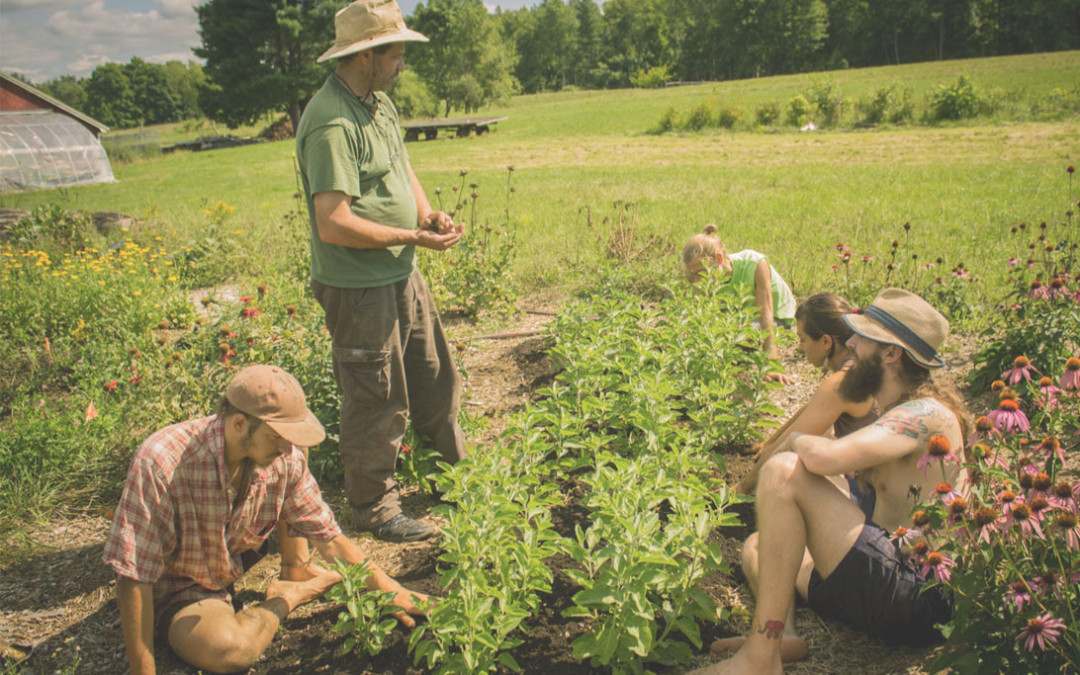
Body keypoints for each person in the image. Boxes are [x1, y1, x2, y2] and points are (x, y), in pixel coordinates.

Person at [693, 289, 971, 674]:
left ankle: (759, 658)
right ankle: (784, 635)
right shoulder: (900, 409)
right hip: (884, 585)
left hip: (916, 595)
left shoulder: (927, 413)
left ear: (891, 354)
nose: (851, 343)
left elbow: (821, 458)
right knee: (763, 545)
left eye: (862, 336)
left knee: (782, 470)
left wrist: (793, 443)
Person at [103, 365, 426, 675]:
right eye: (277, 437)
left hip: (224, 562)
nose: (287, 448)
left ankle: (294, 573)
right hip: (179, 587)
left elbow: (328, 536)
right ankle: (288, 597)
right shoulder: (161, 462)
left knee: (293, 464)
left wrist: (391, 590)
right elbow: (135, 576)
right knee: (231, 651)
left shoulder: (283, 457)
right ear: (239, 424)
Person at [296, 0, 467, 543]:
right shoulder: (330, 121)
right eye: (396, 54)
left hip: (401, 272)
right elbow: (334, 222)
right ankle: (374, 506)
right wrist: (414, 237)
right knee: (377, 395)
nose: (402, 65)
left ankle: (454, 477)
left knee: (435, 377)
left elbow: (402, 166)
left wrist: (428, 214)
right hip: (358, 286)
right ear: (367, 55)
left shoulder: (378, 105)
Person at [736, 293, 877, 494]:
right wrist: (769, 443)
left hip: (872, 496)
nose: (800, 348)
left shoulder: (842, 382)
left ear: (826, 342)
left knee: (790, 466)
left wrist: (740, 487)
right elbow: (811, 410)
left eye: (803, 339)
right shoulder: (861, 360)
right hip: (881, 484)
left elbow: (789, 444)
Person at [683, 224, 797, 384]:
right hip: (740, 319)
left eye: (700, 272)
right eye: (693, 274)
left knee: (734, 338)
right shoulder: (705, 280)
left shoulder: (755, 264)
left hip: (777, 317)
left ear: (719, 259)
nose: (697, 279)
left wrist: (771, 365)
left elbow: (766, 314)